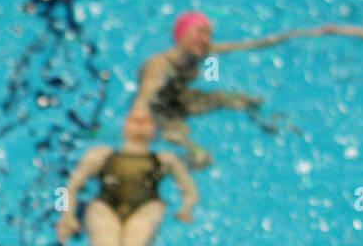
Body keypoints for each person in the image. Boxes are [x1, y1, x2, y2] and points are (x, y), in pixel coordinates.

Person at [55, 107, 198, 246]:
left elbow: (189, 190)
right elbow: (70, 187)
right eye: (135, 120)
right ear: (124, 125)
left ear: (154, 129)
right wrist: (67, 215)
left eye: (146, 121)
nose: (140, 124)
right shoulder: (100, 154)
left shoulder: (164, 159)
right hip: (105, 206)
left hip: (146, 207)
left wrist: (186, 207)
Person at [134, 10, 322, 168]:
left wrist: (299, 33)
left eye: (208, 34)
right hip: (162, 112)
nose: (205, 39)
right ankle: (160, 169)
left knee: (246, 99)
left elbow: (251, 45)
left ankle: (268, 123)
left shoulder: (202, 51)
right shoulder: (158, 65)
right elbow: (143, 101)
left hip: (182, 98)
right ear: (181, 34)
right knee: (201, 158)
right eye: (200, 32)